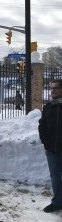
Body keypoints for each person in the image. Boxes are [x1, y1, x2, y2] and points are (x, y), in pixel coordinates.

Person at [38, 79, 62, 213]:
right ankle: (57, 202)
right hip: (51, 148)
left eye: (56, 88)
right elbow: (42, 124)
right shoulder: (48, 106)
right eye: (51, 88)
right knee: (55, 175)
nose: (53, 90)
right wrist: (45, 141)